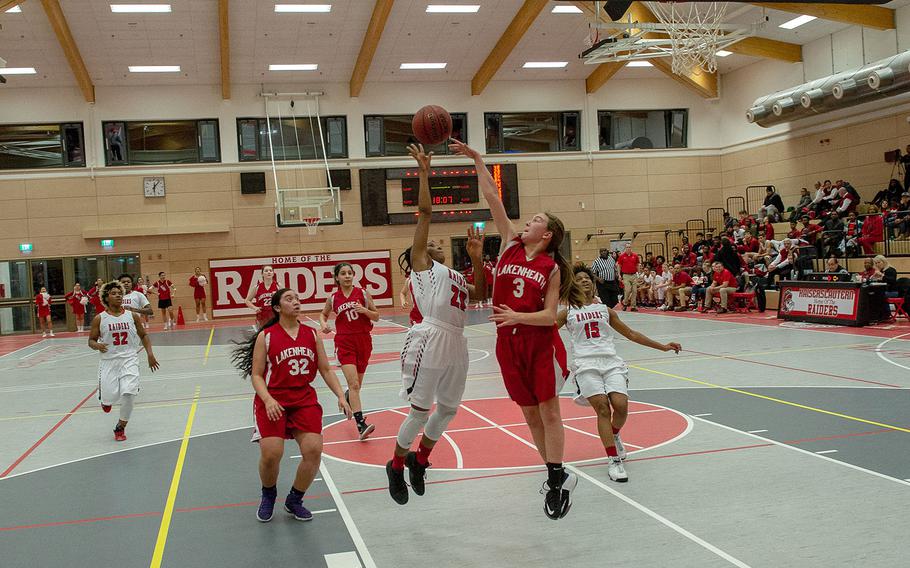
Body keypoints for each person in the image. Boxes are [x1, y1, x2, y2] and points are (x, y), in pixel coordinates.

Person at [450, 138, 584, 520]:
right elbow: (492, 195)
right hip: (507, 346)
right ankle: (553, 472)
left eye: (535, 221)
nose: (527, 222)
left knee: (550, 413)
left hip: (539, 343)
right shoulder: (509, 243)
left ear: (547, 236)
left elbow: (550, 316)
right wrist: (477, 159)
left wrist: (517, 317)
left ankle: (557, 478)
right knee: (528, 416)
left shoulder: (552, 268)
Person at [386, 144, 487, 505]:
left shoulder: (454, 275)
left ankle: (420, 459)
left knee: (447, 409)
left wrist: (476, 259)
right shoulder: (423, 269)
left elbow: (480, 293)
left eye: (436, 243)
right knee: (420, 410)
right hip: (429, 337)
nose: (435, 243)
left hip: (457, 341)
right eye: (429, 243)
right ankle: (395, 464)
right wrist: (424, 172)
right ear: (420, 254)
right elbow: (426, 212)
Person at [231, 288, 352, 523]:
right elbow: (256, 375)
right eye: (289, 299)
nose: (296, 302)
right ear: (277, 308)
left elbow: (325, 369)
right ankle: (268, 495)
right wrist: (267, 399)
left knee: (314, 450)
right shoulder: (265, 336)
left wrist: (340, 395)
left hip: (303, 399)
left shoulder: (311, 334)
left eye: (297, 298)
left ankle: (295, 499)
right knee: (271, 454)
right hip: (273, 399)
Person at [558, 266, 680, 482]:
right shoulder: (567, 312)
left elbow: (631, 333)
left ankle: (614, 434)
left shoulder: (605, 310)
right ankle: (614, 461)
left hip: (611, 362)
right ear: (572, 284)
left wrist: (663, 346)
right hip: (586, 365)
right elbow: (544, 332)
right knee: (603, 409)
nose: (585, 281)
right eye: (579, 279)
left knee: (621, 406)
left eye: (587, 278)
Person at [88, 281, 159, 441]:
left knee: (129, 393)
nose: (118, 295)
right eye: (113, 293)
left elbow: (144, 335)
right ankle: (105, 399)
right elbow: (91, 340)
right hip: (109, 361)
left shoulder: (132, 315)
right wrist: (97, 345)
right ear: (106, 297)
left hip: (129, 359)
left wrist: (150, 354)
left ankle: (120, 428)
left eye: (119, 293)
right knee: (109, 398)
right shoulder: (100, 319)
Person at [319, 262, 380, 441]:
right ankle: (361, 424)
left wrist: (365, 310)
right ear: (337, 277)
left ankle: (348, 397)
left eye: (350, 273)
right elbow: (323, 314)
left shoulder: (362, 293)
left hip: (363, 341)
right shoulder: (333, 298)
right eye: (343, 273)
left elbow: (376, 316)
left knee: (356, 386)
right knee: (353, 384)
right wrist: (324, 325)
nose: (347, 276)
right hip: (344, 342)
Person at [245, 265, 278, 330]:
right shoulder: (257, 287)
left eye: (270, 271)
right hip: (262, 317)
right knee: (263, 335)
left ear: (273, 273)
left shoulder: (278, 286)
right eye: (266, 271)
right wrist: (255, 308)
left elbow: (285, 299)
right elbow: (247, 300)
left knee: (277, 335)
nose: (269, 272)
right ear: (262, 274)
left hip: (275, 315)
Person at [617, 244, 639, 311]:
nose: (628, 248)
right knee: (628, 290)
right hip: (626, 275)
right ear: (625, 248)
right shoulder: (622, 256)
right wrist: (619, 275)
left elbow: (637, 264)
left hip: (634, 275)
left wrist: (638, 273)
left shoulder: (635, 255)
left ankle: (633, 306)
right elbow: (619, 266)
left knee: (634, 291)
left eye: (629, 247)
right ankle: (625, 303)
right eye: (627, 247)